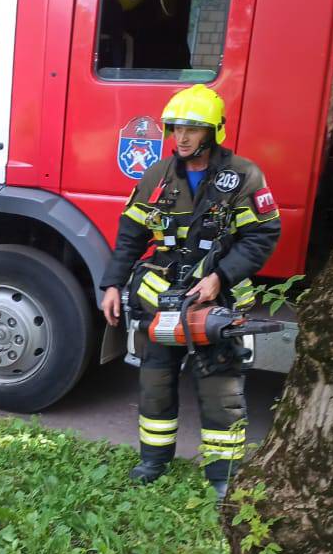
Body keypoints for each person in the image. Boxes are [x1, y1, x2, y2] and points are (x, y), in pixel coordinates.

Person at [99, 84, 280, 498]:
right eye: (176, 128)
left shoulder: (244, 176)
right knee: (155, 380)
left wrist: (221, 276)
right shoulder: (157, 177)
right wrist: (112, 283)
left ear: (212, 132)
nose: (181, 137)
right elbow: (130, 236)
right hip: (160, 297)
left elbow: (263, 235)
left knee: (221, 387)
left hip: (217, 298)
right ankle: (153, 460)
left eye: (192, 129)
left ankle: (222, 474)